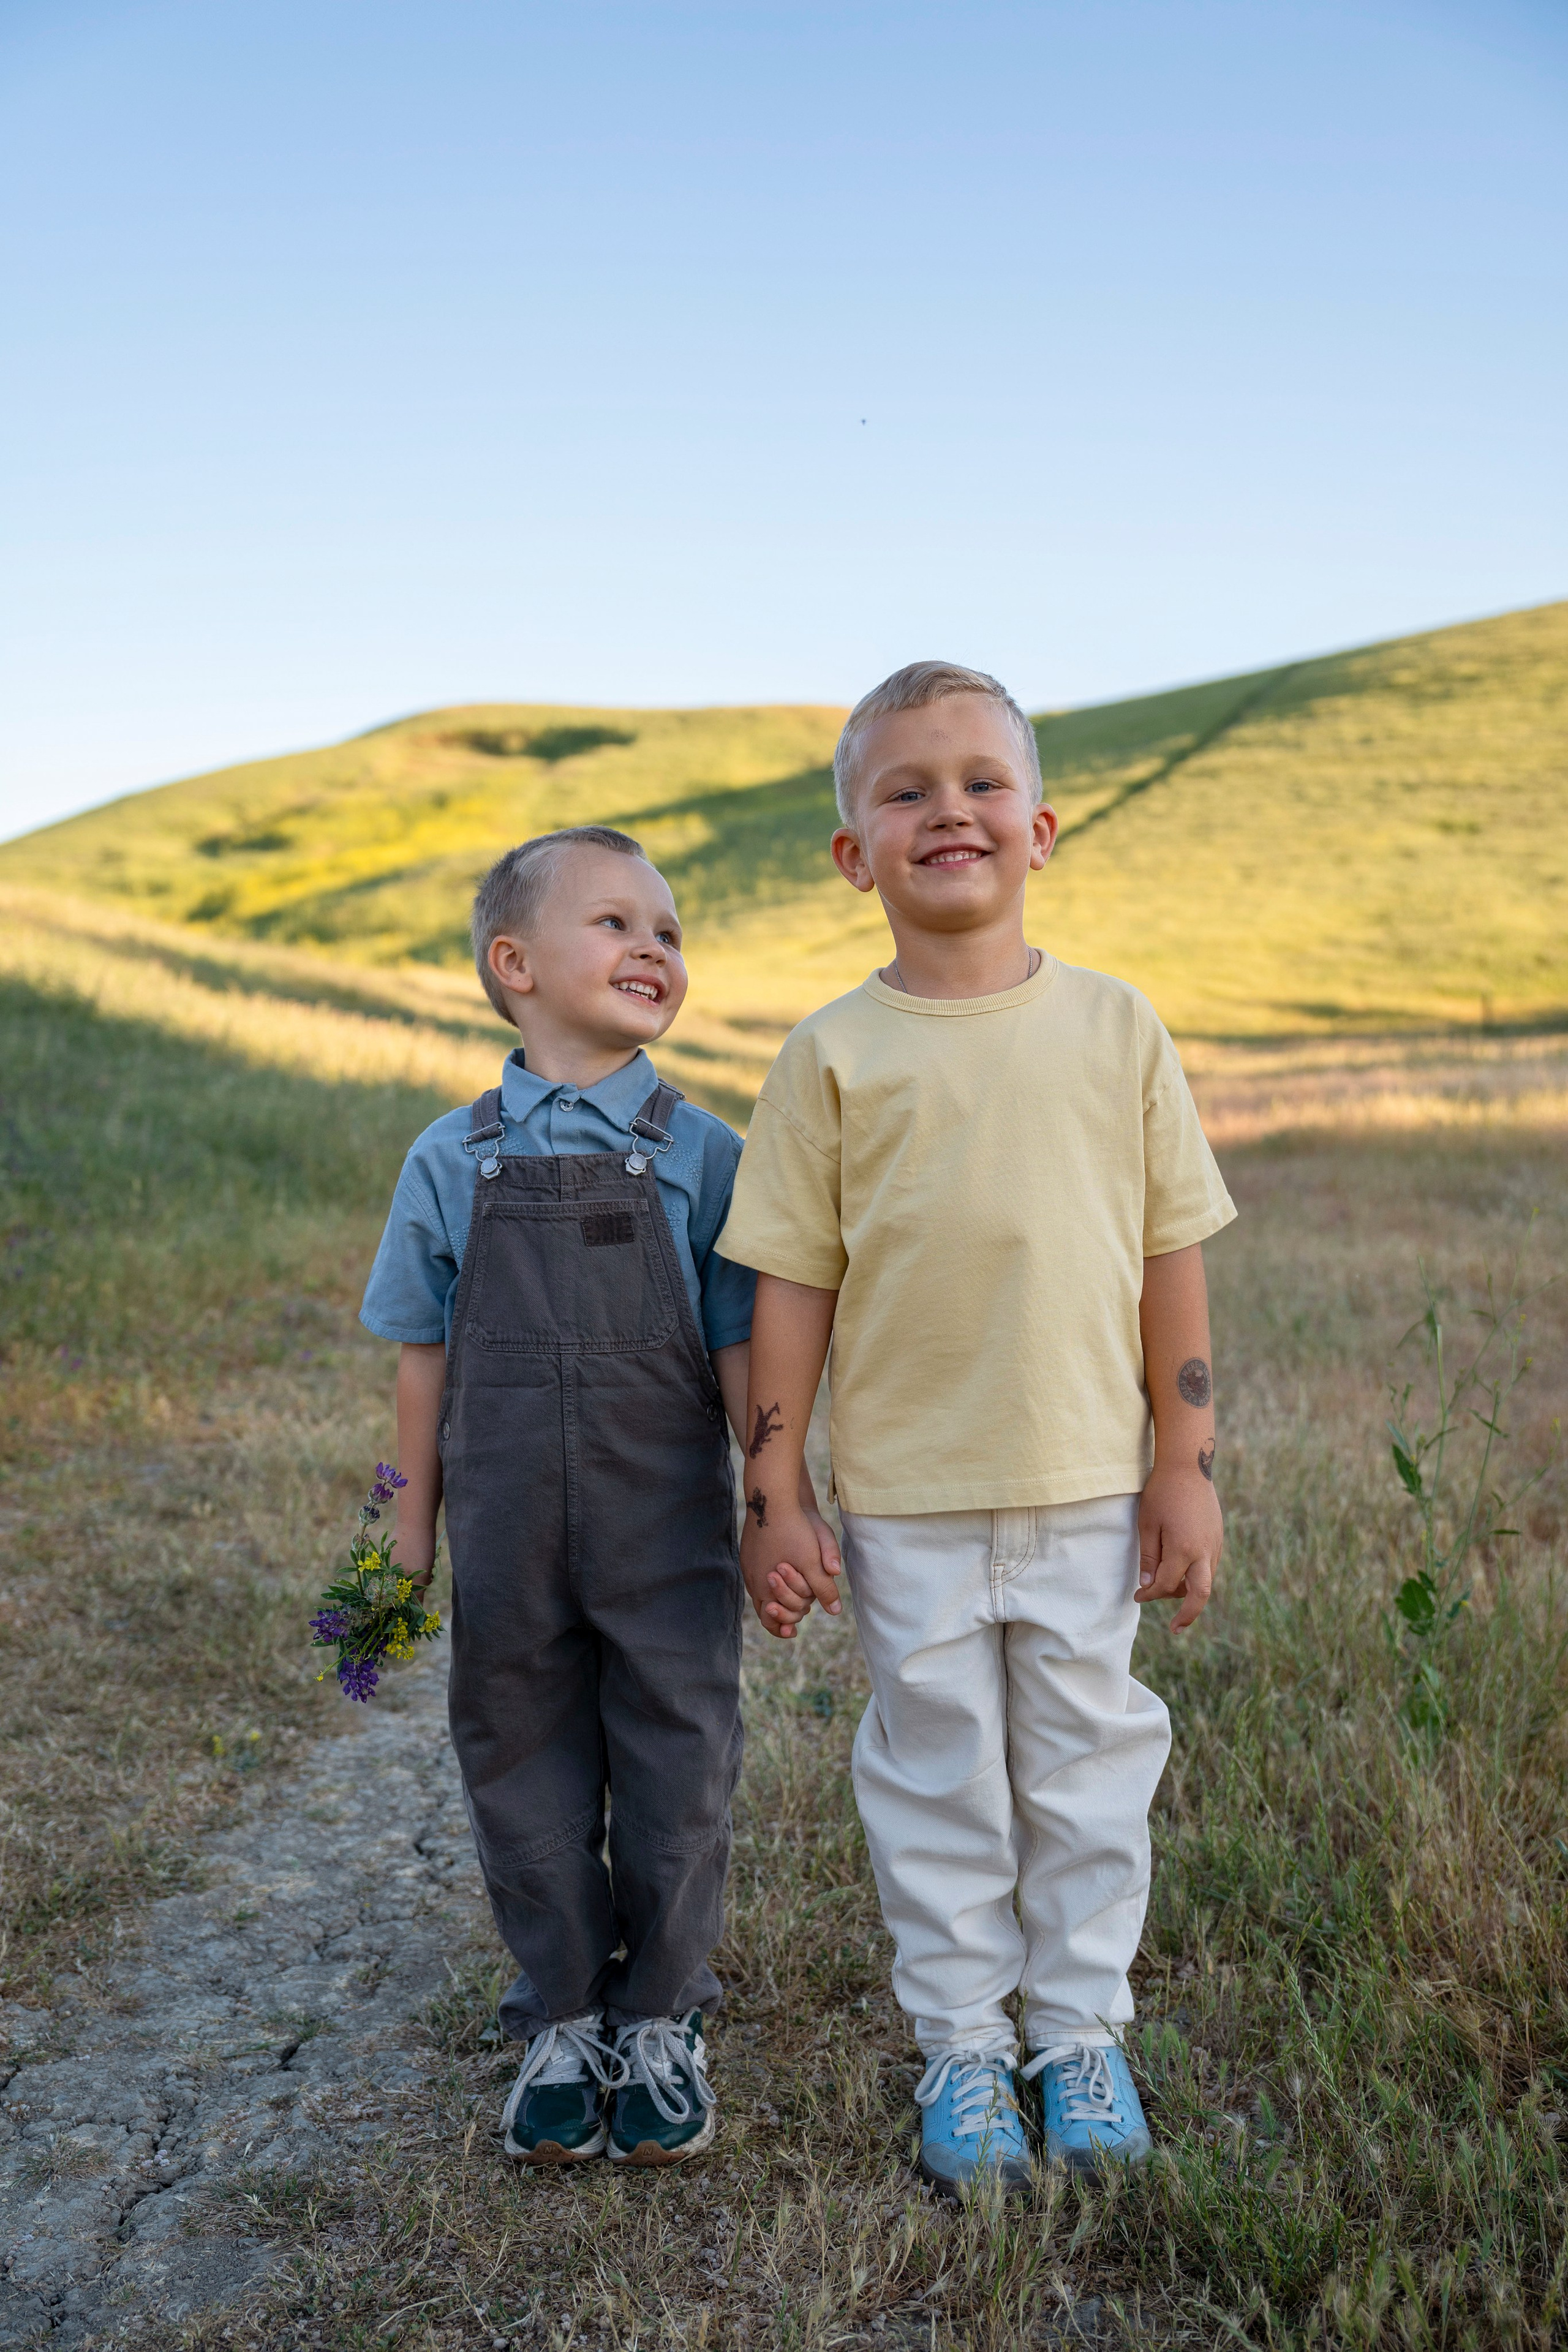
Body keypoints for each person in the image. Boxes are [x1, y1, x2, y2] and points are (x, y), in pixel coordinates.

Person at [715, 664, 1235, 2194]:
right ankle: (960, 2049)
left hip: (1086, 1480)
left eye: (979, 782)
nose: (947, 808)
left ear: (1042, 827)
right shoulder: (827, 1055)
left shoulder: (1115, 1027)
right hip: (904, 1498)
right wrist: (774, 1488)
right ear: (850, 854)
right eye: (903, 789)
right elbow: (788, 1288)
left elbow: (1169, 1262)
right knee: (935, 1775)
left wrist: (1183, 1469)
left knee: (1085, 1769)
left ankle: (1076, 2035)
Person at [359, 824, 836, 2168]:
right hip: (507, 1537)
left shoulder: (703, 1155)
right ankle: (563, 2013)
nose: (653, 949)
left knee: (679, 1764)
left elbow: (746, 1350)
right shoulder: (448, 1160)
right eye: (616, 923)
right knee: (517, 1760)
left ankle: (661, 2012)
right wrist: (401, 1530)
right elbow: (420, 1365)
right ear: (513, 966)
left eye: (669, 932)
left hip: (663, 1532)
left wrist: (774, 1502)